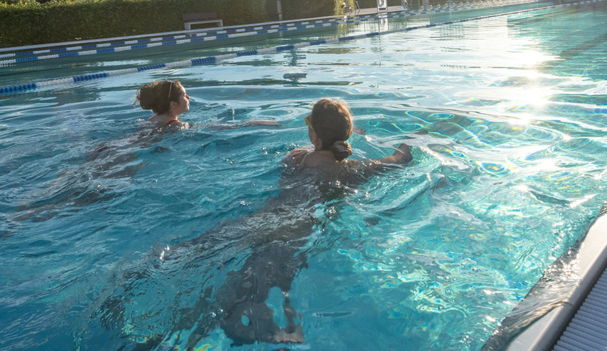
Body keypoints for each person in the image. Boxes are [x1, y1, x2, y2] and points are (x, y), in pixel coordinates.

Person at [99, 97, 414, 347]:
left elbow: (287, 167)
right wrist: (410, 140)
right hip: (289, 236)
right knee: (233, 299)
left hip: (256, 221)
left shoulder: (296, 157)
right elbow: (399, 160)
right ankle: (175, 340)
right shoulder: (351, 170)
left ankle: (132, 284)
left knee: (190, 252)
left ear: (313, 134)